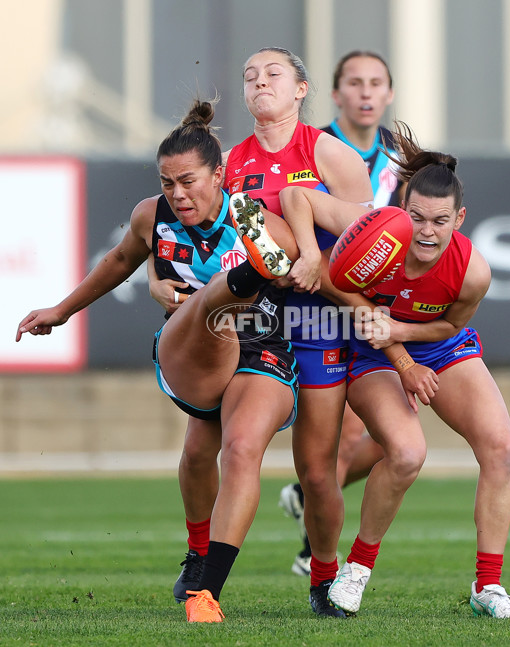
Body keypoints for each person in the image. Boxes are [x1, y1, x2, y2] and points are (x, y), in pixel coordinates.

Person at [150, 46, 438, 619]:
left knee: (316, 470)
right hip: (249, 325)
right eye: (249, 76)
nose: (259, 82)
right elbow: (186, 238)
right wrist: (165, 281)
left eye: (273, 73)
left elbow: (364, 251)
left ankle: (324, 580)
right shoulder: (226, 162)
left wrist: (313, 260)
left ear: (302, 89)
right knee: (201, 450)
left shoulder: (331, 154)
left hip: (318, 323)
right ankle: (199, 559)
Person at [15, 98, 311, 624]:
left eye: (190, 181)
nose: (178, 194)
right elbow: (116, 261)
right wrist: (60, 311)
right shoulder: (151, 216)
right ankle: (197, 553)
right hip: (195, 347)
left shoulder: (253, 218)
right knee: (198, 455)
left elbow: (307, 273)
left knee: (238, 450)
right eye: (168, 182)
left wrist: (365, 319)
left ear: (219, 175)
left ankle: (207, 594)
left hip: (262, 347)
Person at [276, 120, 510, 619]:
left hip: (434, 345)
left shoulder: (473, 271)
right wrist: (397, 353)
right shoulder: (377, 232)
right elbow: (298, 205)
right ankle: (358, 569)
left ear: (460, 218)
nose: (426, 232)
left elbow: (449, 327)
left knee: (502, 449)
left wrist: (404, 339)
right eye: (416, 218)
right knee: (409, 454)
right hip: (371, 356)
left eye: (440, 221)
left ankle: (489, 588)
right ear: (400, 208)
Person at [279, 50, 402, 576]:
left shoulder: (397, 159)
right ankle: (315, 546)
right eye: (355, 83)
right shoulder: (318, 148)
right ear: (334, 94)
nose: (366, 93)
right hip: (324, 303)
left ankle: (305, 493)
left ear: (390, 93)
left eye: (376, 83)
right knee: (350, 434)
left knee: (392, 435)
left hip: (377, 305)